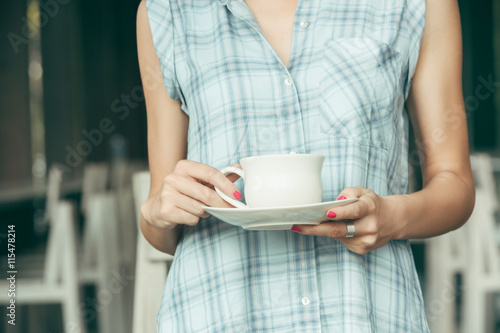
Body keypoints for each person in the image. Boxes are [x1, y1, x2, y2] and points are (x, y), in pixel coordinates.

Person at [136, 0, 474, 331]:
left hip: (362, 311)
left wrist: (392, 217)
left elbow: (454, 183)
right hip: (218, 312)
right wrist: (157, 213)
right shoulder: (167, 11)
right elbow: (162, 230)